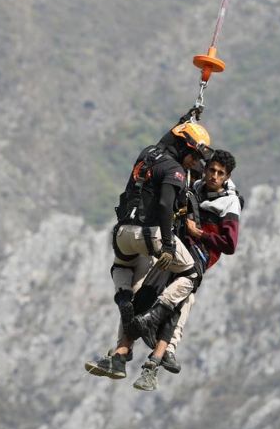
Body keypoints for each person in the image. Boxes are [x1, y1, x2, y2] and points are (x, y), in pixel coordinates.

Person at [84, 116, 213, 380]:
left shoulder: (148, 153)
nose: (194, 163)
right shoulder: (175, 170)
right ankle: (155, 315)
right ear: (185, 148)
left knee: (122, 267)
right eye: (193, 155)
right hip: (151, 234)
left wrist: (189, 118)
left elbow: (170, 137)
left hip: (122, 233)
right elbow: (166, 206)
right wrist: (167, 243)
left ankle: (121, 329)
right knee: (191, 274)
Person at [132, 149, 241, 392]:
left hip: (199, 255)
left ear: (227, 176)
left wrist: (199, 233)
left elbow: (230, 244)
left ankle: (154, 360)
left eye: (220, 173)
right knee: (153, 291)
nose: (214, 176)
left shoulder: (230, 202)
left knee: (179, 299)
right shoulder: (198, 186)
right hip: (179, 247)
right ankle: (130, 349)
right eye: (211, 170)